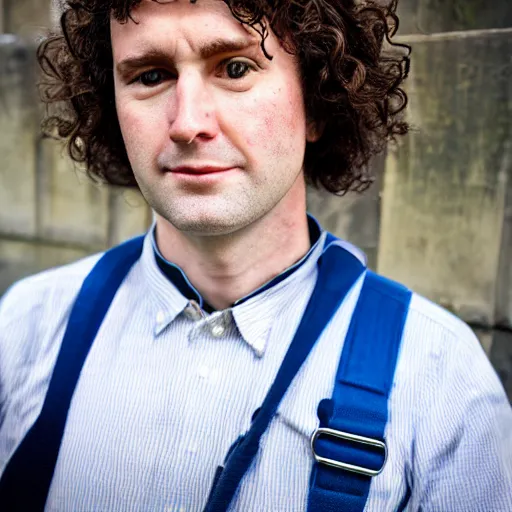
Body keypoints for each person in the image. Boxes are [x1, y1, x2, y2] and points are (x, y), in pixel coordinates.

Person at [0, 0, 511, 510]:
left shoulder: (440, 376)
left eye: (236, 68)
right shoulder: (26, 327)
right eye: (151, 75)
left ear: (316, 102)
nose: (187, 123)